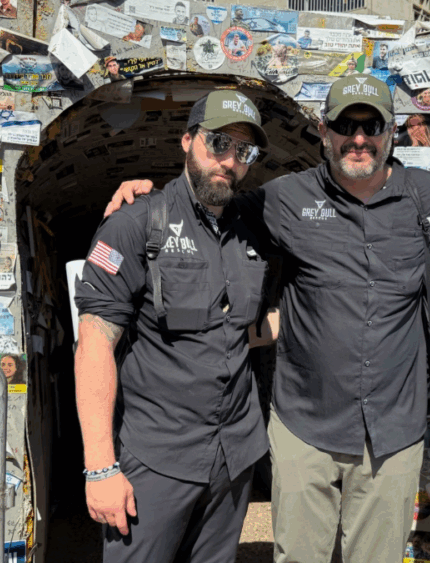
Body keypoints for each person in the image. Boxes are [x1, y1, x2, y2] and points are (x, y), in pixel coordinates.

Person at [105, 75, 430, 563]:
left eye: (371, 124)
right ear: (324, 130)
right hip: (304, 428)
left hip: (393, 431)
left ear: (391, 131)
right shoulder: (283, 199)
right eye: (345, 124)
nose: (358, 138)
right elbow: (204, 203)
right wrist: (143, 195)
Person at [74, 91, 274, 563]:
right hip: (157, 461)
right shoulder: (136, 224)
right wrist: (100, 468)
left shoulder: (252, 227)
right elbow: (94, 346)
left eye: (243, 151)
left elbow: (240, 327)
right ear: (187, 140)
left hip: (234, 457)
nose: (229, 160)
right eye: (218, 142)